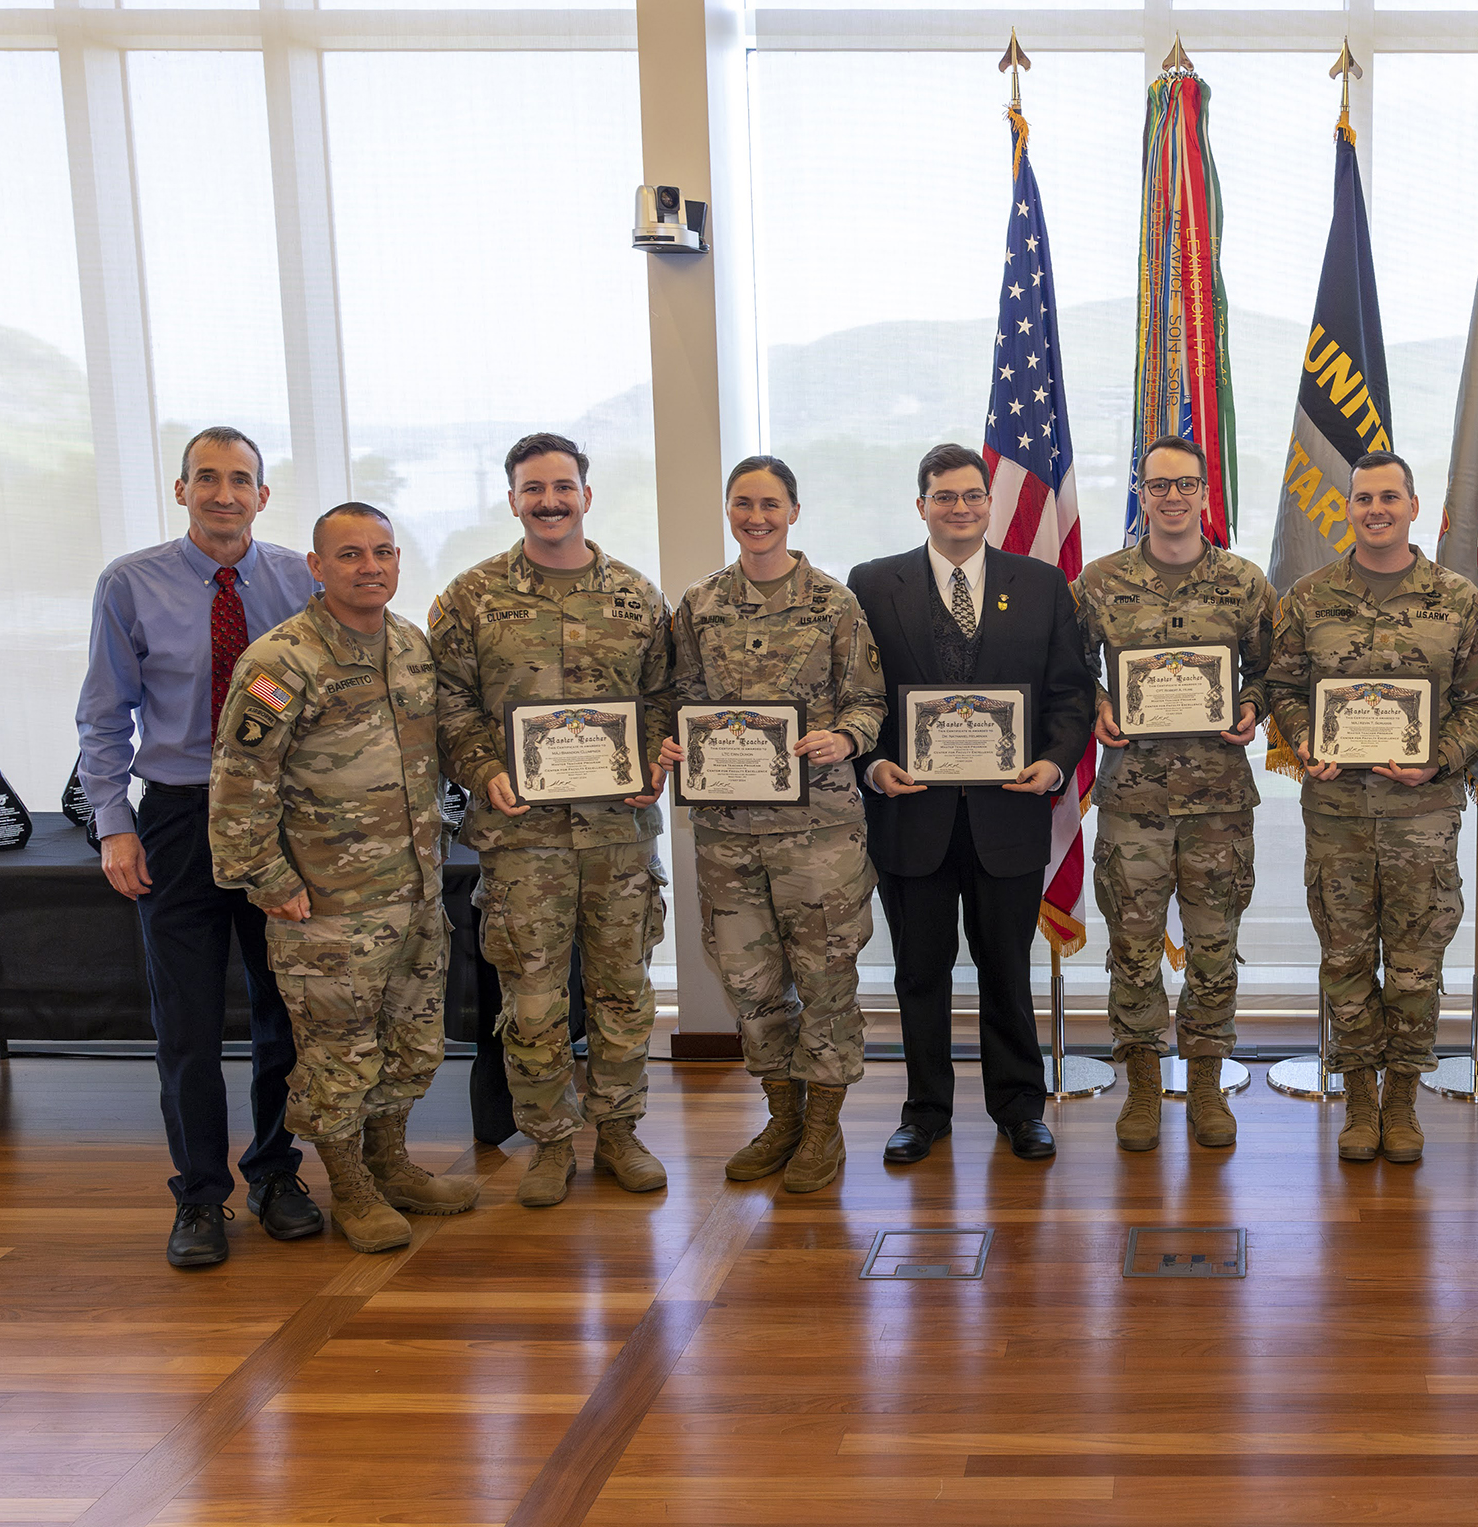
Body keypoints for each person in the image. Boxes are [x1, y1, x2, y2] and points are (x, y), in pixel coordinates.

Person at [77, 425, 323, 1267]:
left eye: (241, 479)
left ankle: (276, 1172)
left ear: (263, 494)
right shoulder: (130, 584)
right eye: (207, 478)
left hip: (280, 817)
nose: (225, 493)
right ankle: (198, 1196)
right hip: (179, 816)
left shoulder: (300, 578)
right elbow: (103, 714)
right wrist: (114, 822)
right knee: (184, 1021)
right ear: (180, 490)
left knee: (281, 1009)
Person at [208, 503, 478, 1251]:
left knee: (411, 1040)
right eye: (352, 554)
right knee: (337, 1054)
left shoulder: (411, 647)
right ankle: (351, 1188)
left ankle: (391, 1164)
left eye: (384, 552)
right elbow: (238, 782)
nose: (372, 567)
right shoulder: (279, 661)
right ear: (316, 567)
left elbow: (445, 746)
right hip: (327, 903)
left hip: (417, 891)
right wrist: (266, 877)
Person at [429, 433, 676, 1208]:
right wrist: (484, 770)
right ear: (512, 500)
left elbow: (667, 694)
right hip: (521, 838)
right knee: (531, 1000)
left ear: (586, 495)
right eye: (533, 489)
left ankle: (620, 1132)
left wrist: (655, 762)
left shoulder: (638, 596)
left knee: (622, 992)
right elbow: (448, 702)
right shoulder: (468, 598)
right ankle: (548, 1141)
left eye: (562, 486)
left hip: (618, 836)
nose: (549, 501)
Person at [848, 443, 1094, 1164]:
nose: (959, 508)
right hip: (910, 813)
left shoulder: (1043, 584)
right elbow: (852, 694)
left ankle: (1020, 1106)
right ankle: (925, 1110)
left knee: (1006, 969)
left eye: (971, 495)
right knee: (919, 972)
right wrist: (872, 763)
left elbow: (1070, 693)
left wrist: (1054, 762)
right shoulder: (871, 583)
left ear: (990, 501)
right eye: (943, 496)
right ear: (920, 503)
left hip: (1008, 816)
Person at [1266, 450, 1478, 1164]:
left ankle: (1402, 1097)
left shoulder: (1457, 600)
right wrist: (1306, 739)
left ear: (1412, 505)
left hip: (1421, 815)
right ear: (1349, 508)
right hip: (1336, 811)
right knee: (1344, 958)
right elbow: (1281, 686)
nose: (1375, 509)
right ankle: (1359, 1095)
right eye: (1363, 498)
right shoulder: (1308, 597)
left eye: (1388, 498)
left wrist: (1441, 756)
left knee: (1415, 964)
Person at [666, 457, 885, 1195]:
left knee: (826, 982)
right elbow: (680, 700)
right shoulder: (698, 604)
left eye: (769, 504)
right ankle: (782, 1116)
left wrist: (845, 739)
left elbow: (869, 703)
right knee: (752, 984)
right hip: (728, 834)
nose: (755, 517)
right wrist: (672, 740)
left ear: (794, 510)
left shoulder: (834, 603)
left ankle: (824, 1128)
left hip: (819, 831)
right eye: (741, 504)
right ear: (728, 511)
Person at [1076, 435, 1280, 1151]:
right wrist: (1099, 702)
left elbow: (1270, 670)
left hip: (1218, 803)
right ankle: (1139, 1086)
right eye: (1157, 485)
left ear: (1204, 493)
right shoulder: (1098, 583)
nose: (1171, 496)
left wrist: (1252, 705)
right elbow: (1067, 673)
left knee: (1214, 948)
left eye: (1184, 484)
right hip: (1132, 802)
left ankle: (1202, 1084)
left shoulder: (1245, 582)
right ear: (1141, 491)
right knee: (1132, 950)